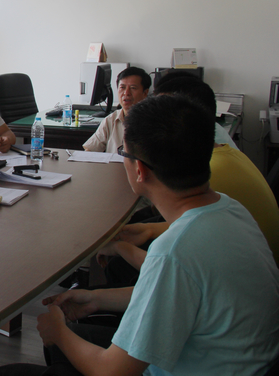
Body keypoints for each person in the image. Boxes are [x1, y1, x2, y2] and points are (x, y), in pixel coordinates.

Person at [0, 95, 279, 376]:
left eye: (123, 153)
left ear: (139, 170)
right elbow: (175, 295)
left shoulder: (173, 252)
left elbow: (112, 371)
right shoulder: (231, 209)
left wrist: (58, 333)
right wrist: (96, 298)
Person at [97, 75, 279, 285]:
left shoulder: (207, 174)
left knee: (120, 266)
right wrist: (147, 230)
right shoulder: (223, 185)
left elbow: (173, 269)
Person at [83, 67, 150, 153]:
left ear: (145, 93)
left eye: (133, 88)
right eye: (122, 87)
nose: (126, 93)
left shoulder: (153, 122)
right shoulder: (110, 120)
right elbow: (90, 150)